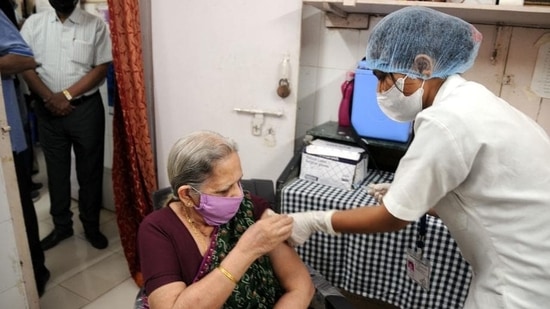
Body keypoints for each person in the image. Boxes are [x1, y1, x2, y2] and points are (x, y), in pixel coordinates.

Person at [288, 6, 550, 309]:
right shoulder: (475, 100)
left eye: (384, 76)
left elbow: (392, 218)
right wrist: (425, 199)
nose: (381, 89)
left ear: (423, 65)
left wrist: (311, 220)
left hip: (519, 286)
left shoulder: (446, 119)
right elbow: (489, 197)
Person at [137, 131, 314, 309]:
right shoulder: (158, 230)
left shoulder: (250, 209)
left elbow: (300, 287)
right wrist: (245, 251)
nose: (238, 195)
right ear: (186, 195)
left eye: (239, 181)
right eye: (223, 190)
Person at [20, 0, 112, 250]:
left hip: (85, 110)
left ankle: (91, 225)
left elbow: (101, 68)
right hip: (47, 110)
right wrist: (50, 98)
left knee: (90, 172)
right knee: (56, 173)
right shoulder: (33, 24)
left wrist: (65, 96)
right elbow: (24, 65)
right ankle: (62, 227)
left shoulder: (94, 25)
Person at [0, 9, 50, 296]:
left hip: (8, 141)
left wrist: (59, 97)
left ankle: (35, 273)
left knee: (19, 210)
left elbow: (24, 57)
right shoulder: (34, 23)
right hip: (41, 104)